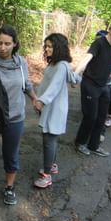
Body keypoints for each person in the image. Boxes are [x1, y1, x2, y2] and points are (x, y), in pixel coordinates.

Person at [0, 25, 37, 204]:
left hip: (15, 116)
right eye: (0, 43)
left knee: (11, 154)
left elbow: (26, 85)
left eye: (7, 43)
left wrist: (35, 99)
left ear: (14, 44)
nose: (3, 47)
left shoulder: (21, 63)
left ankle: (9, 187)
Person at [74, 20, 111, 157]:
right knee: (90, 117)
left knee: (101, 117)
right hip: (90, 85)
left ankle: (94, 145)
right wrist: (75, 74)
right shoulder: (98, 43)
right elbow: (87, 58)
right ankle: (80, 143)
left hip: (104, 86)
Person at [33, 33, 79, 188]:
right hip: (50, 107)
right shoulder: (55, 63)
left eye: (51, 46)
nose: (47, 49)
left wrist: (41, 101)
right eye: (46, 46)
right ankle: (51, 165)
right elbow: (72, 78)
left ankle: (47, 175)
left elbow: (54, 87)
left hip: (55, 108)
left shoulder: (61, 66)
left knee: (49, 139)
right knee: (50, 137)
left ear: (59, 47)